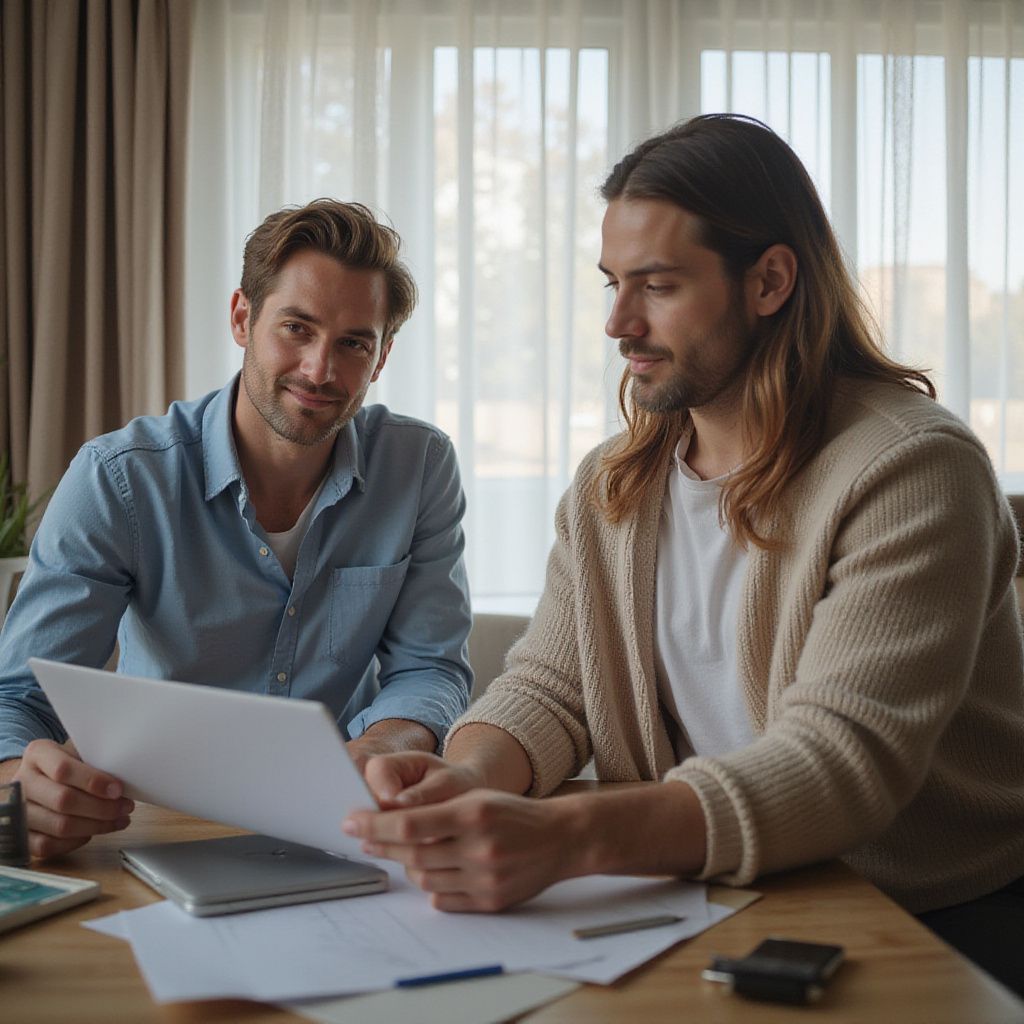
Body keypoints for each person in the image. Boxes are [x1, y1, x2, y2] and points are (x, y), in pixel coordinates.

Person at [343, 116, 1024, 997]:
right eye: (613, 284)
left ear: (770, 281)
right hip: (706, 895)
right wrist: (465, 780)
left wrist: (571, 837)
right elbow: (552, 686)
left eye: (657, 285)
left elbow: (839, 762)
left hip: (922, 915)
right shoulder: (612, 485)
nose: (618, 323)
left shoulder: (912, 467)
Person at [0, 199, 472, 860]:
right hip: (152, 827)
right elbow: (21, 693)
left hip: (340, 825)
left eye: (353, 343)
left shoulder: (419, 467)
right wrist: (19, 778)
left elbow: (428, 668)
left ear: (382, 355)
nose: (319, 370)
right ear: (242, 319)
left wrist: (375, 749)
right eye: (297, 329)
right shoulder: (120, 478)